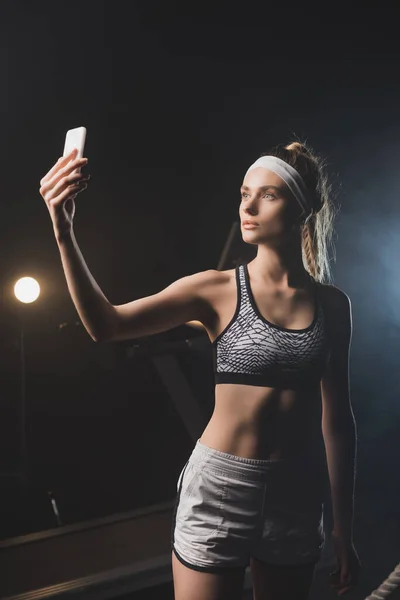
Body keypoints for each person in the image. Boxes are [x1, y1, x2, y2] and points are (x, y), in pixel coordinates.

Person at [39, 141, 360, 599]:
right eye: (244, 193)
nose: (247, 206)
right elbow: (105, 325)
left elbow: (339, 423)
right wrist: (63, 231)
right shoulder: (214, 290)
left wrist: (344, 531)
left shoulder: (333, 306)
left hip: (296, 491)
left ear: (303, 207)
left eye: (268, 195)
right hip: (221, 487)